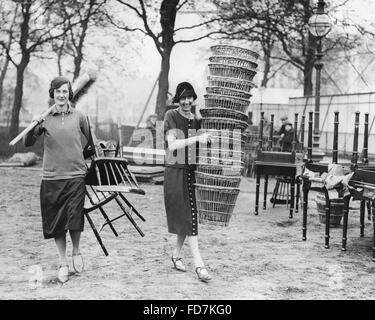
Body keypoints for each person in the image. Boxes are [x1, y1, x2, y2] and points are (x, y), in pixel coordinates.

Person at [24, 76, 91, 283]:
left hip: (76, 175)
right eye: (58, 91)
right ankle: (62, 262)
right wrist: (35, 123)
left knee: (74, 218)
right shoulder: (45, 118)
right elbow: (27, 142)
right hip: (52, 176)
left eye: (65, 91)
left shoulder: (79, 115)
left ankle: (76, 251)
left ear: (69, 93)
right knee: (57, 222)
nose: (61, 95)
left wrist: (81, 159)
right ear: (52, 94)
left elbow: (90, 141)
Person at [163, 81, 212, 282]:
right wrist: (196, 139)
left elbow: (199, 147)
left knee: (188, 216)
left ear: (193, 98)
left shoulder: (196, 119)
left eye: (189, 97)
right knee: (189, 216)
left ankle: (176, 255)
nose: (186, 101)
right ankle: (199, 264)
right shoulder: (171, 116)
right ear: (178, 99)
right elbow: (172, 145)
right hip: (175, 172)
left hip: (191, 172)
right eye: (182, 98)